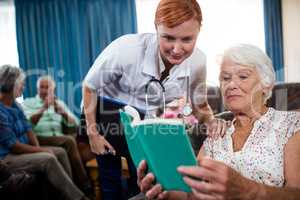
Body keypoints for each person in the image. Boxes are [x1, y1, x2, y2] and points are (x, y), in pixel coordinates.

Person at [82, 0, 227, 199]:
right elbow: (89, 86)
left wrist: (212, 121)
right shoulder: (126, 48)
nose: (177, 49)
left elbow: (200, 104)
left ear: (199, 31)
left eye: (187, 39)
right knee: (110, 180)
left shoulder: (198, 62)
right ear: (156, 29)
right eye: (168, 38)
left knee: (145, 177)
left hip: (145, 117)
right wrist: (93, 134)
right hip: (104, 109)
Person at [137, 44, 300, 200]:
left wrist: (249, 191)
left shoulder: (290, 124)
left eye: (243, 76)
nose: (231, 85)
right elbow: (192, 194)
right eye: (225, 78)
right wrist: (164, 192)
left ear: (266, 84)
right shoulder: (216, 135)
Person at [0, 64, 90, 200]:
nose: (23, 87)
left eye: (47, 87)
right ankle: (79, 198)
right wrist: (40, 150)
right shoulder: (20, 105)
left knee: (60, 151)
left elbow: (27, 128)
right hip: (8, 156)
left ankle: (70, 191)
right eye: (21, 84)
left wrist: (61, 111)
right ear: (11, 84)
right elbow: (14, 145)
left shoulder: (15, 104)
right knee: (48, 158)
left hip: (27, 146)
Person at [22, 75, 92, 193]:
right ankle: (85, 184)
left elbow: (75, 124)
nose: (44, 90)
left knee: (70, 143)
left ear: (53, 89)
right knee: (69, 140)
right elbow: (28, 124)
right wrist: (43, 108)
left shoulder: (59, 103)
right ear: (37, 89)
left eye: (47, 87)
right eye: (41, 87)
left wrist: (62, 112)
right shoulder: (29, 103)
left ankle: (74, 188)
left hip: (58, 139)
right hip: (39, 138)